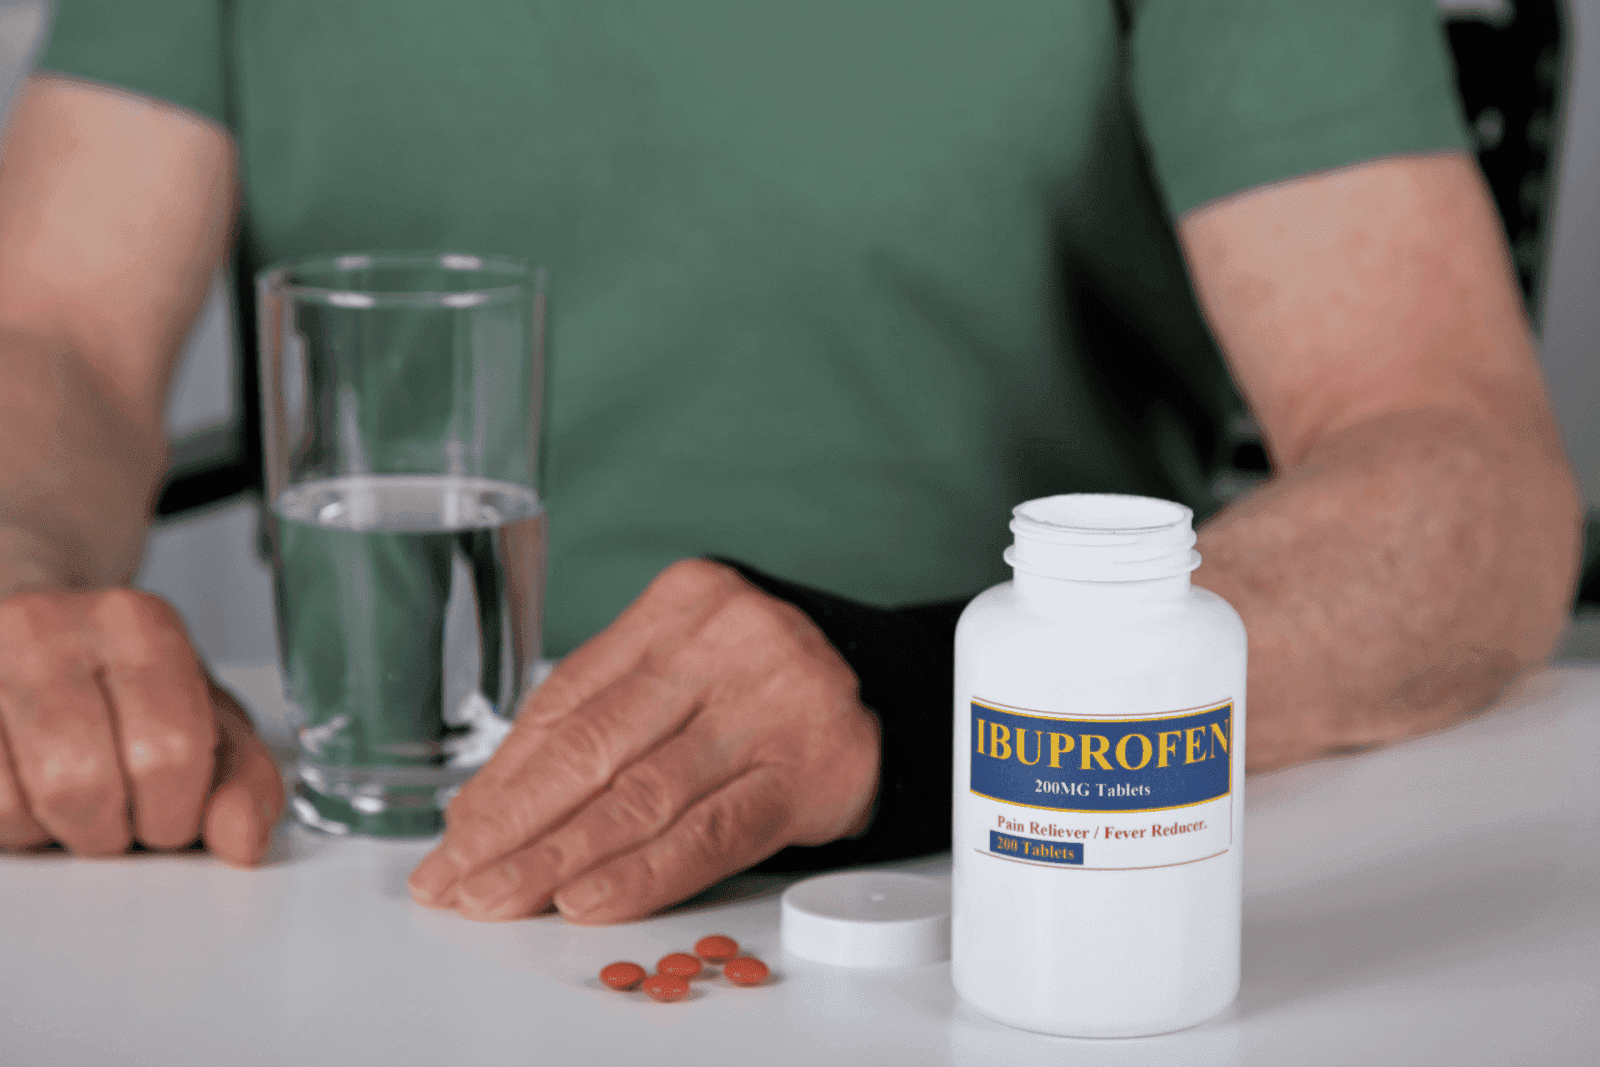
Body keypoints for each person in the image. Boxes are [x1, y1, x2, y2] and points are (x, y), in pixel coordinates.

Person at [0, 1, 1579, 924]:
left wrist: (932, 700)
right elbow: (54, 329)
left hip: (986, 892)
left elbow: (1469, 474)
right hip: (357, 899)